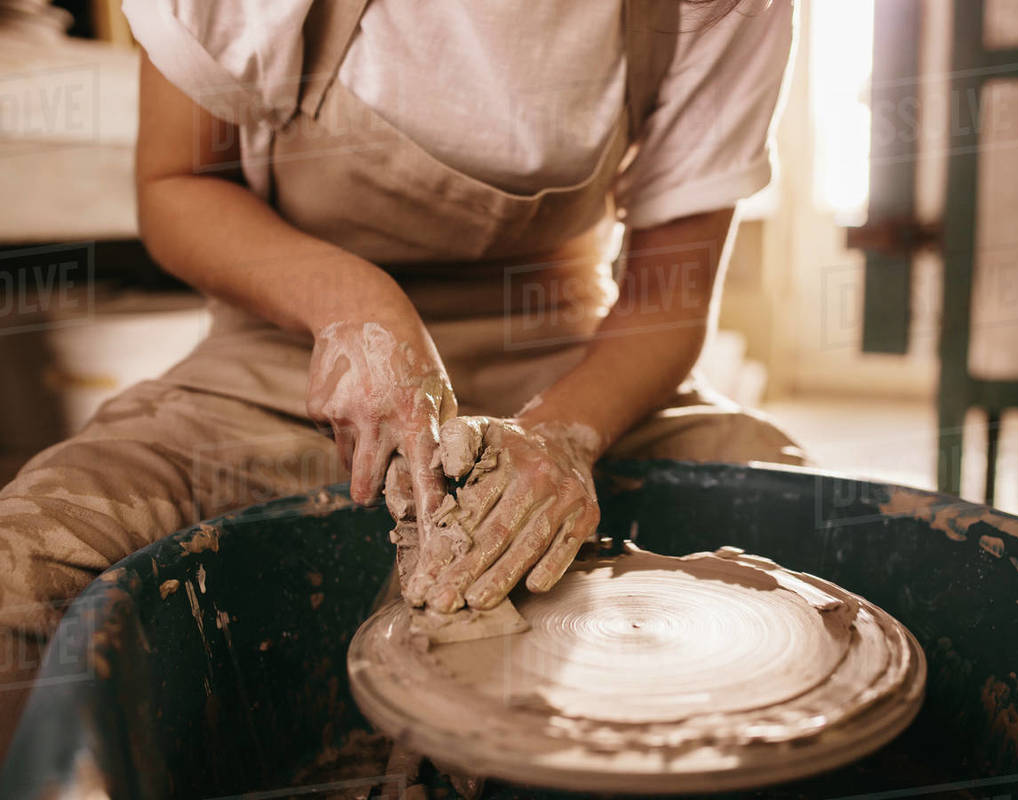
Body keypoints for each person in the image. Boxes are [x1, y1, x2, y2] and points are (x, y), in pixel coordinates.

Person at [0, 0, 802, 753]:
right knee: (20, 580)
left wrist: (564, 434)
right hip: (285, 351)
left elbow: (669, 300)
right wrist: (350, 302)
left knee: (815, 561)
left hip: (570, 364)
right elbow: (176, 186)